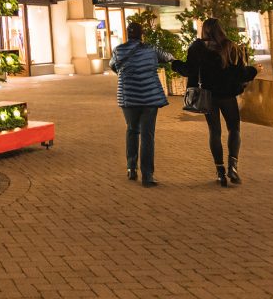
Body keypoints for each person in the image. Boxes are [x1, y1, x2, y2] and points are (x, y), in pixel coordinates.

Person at [172, 18, 258, 187]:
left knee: (215, 132)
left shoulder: (197, 48)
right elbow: (240, 74)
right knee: (234, 129)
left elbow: (189, 70)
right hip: (228, 96)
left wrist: (174, 64)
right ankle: (233, 167)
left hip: (207, 96)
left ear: (204, 30)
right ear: (221, 29)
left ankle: (220, 172)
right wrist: (254, 70)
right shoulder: (230, 47)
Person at [109, 21, 174, 188]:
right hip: (149, 98)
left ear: (127, 34)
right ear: (141, 34)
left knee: (132, 130)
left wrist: (126, 76)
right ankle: (147, 175)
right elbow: (169, 57)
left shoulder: (119, 50)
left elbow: (113, 66)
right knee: (147, 135)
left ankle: (131, 168)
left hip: (128, 96)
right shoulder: (151, 49)